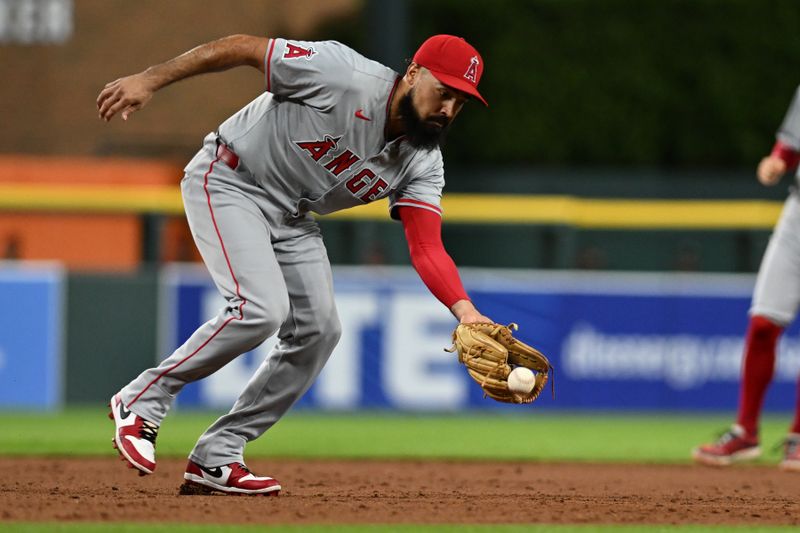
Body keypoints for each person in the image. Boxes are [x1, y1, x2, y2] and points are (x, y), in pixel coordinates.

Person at [98, 33, 493, 495]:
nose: (447, 108)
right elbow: (242, 47)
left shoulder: (422, 161)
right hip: (230, 179)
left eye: (460, 101)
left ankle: (218, 454)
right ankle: (144, 398)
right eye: (442, 91)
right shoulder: (341, 73)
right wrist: (149, 79)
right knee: (259, 310)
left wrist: (465, 310)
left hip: (291, 216)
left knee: (320, 330)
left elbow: (426, 247)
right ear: (412, 74)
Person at [692, 85, 800, 472]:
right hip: (797, 212)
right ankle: (746, 432)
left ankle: (799, 437)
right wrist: (777, 160)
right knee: (762, 324)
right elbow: (791, 143)